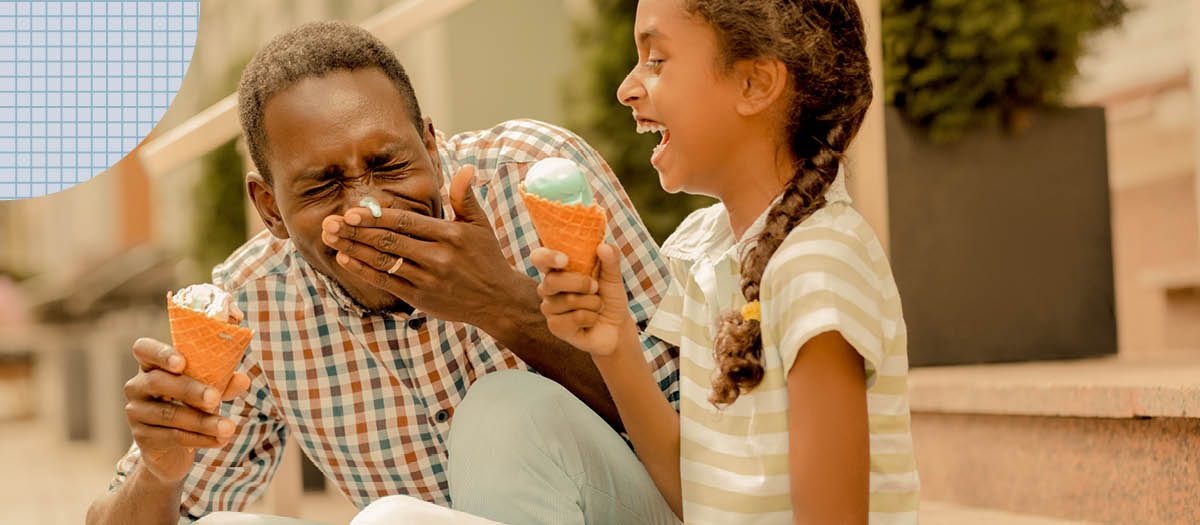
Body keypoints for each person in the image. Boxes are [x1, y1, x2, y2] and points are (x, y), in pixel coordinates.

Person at [86, 21, 679, 525]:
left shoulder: (533, 179)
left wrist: (503, 306)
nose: (365, 207)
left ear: (430, 143)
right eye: (322, 185)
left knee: (499, 417)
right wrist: (158, 473)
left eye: (387, 163)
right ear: (270, 209)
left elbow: (700, 427)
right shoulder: (255, 302)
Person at [530, 0, 920, 523]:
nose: (627, 87)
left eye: (657, 59)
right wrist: (615, 339)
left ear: (754, 84)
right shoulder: (702, 249)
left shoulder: (819, 266)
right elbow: (695, 490)